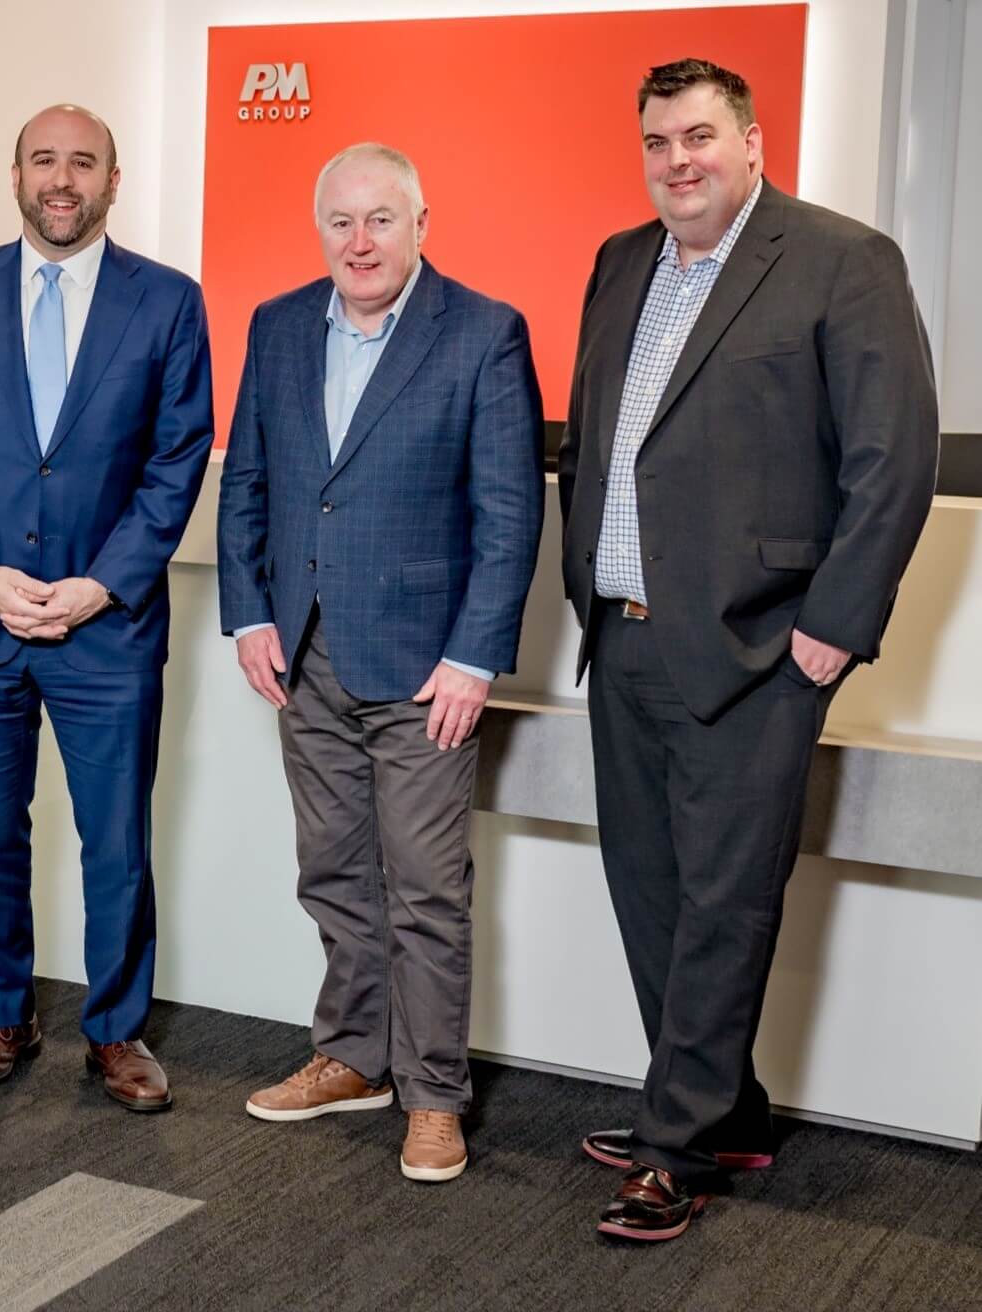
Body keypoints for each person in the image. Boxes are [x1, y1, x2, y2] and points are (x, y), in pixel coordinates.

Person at [559, 58, 939, 1241]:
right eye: (657, 141)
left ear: (751, 141)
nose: (677, 160)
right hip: (620, 641)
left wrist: (828, 629)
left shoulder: (840, 260)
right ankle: (724, 1108)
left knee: (723, 903)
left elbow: (894, 459)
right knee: (652, 895)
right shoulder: (621, 261)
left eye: (698, 137)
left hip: (756, 649)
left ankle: (672, 1148)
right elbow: (600, 439)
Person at [218, 142, 544, 1183]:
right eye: (340, 223)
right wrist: (247, 617)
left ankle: (432, 1093)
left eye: (379, 220)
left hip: (422, 671)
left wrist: (472, 657)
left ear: (420, 225)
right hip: (301, 652)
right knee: (333, 873)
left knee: (425, 888)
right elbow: (248, 489)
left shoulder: (483, 333)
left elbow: (508, 513)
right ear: (319, 232)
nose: (358, 241)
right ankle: (354, 1056)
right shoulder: (275, 327)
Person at [0, 104, 213, 1112]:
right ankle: (1, 1011)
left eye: (80, 162)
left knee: (115, 837)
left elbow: (176, 458)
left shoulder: (168, 301)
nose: (61, 179)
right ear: (14, 174)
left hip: (107, 625)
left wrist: (102, 581)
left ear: (112, 179)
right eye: (43, 160)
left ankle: (115, 1029)